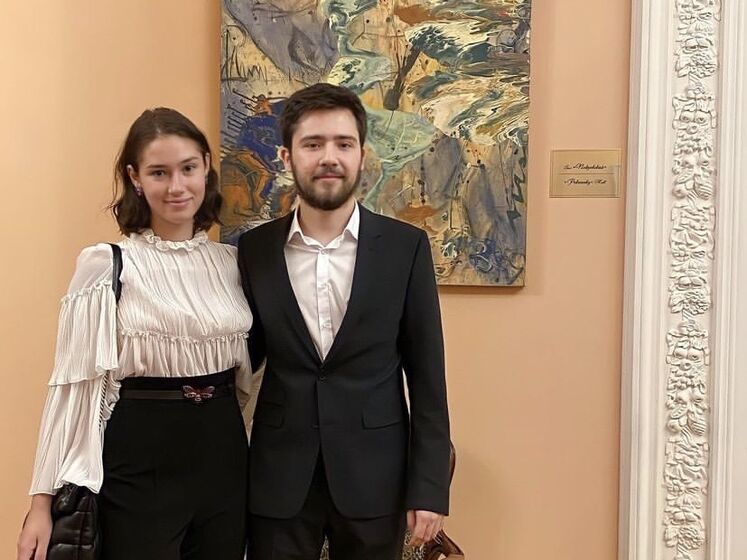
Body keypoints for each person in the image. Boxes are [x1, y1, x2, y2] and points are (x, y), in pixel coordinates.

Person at [17, 108, 254, 560]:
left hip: (224, 458)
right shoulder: (106, 264)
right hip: (139, 459)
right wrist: (41, 504)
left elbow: (247, 378)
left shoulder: (232, 264)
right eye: (159, 172)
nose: (177, 186)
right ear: (135, 178)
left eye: (188, 168)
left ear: (207, 166)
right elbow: (72, 389)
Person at [238, 83, 451, 560]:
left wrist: (429, 488)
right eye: (313, 144)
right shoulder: (254, 250)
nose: (329, 157)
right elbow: (240, 361)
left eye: (343, 143)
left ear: (362, 155)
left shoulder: (405, 248)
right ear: (286, 156)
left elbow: (428, 378)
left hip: (375, 477)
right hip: (279, 477)